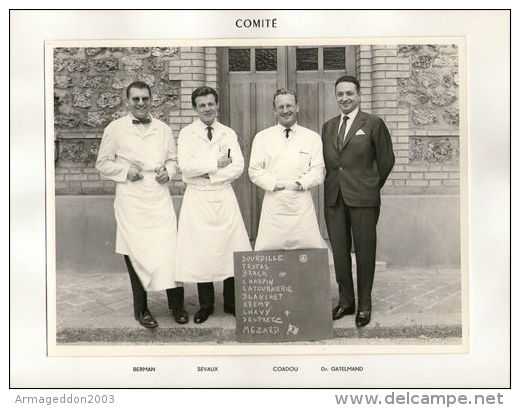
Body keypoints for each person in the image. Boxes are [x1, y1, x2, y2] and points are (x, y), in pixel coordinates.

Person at [96, 80, 187, 329]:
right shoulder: (114, 129)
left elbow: (173, 160)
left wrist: (167, 172)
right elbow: (102, 163)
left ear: (151, 100)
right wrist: (126, 171)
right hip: (131, 198)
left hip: (158, 196)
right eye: (135, 99)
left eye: (145, 99)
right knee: (135, 251)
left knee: (169, 248)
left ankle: (176, 306)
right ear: (127, 101)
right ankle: (142, 309)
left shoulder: (163, 129)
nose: (140, 103)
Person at [321, 75, 395, 327]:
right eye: (340, 94)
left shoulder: (373, 123)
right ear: (336, 97)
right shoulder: (328, 126)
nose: (345, 98)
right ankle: (346, 301)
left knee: (364, 252)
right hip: (334, 198)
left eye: (350, 93)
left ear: (359, 95)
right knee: (340, 252)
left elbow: (386, 161)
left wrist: (372, 185)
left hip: (364, 198)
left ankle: (364, 304)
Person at [174, 86, 251, 324]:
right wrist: (217, 163)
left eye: (211, 104)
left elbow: (238, 166)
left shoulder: (228, 133)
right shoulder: (187, 134)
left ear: (217, 105)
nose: (207, 109)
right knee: (201, 251)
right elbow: (186, 166)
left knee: (230, 248)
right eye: (202, 105)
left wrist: (209, 173)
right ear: (195, 108)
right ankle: (205, 305)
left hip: (223, 195)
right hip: (198, 198)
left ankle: (231, 303)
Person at [249, 89, 328, 252]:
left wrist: (300, 184)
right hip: (274, 202)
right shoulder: (262, 137)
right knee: (270, 250)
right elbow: (254, 170)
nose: (285, 110)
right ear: (274, 111)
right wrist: (274, 184)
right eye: (281, 107)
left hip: (301, 202)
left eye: (289, 106)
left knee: (306, 250)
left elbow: (318, 169)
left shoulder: (312, 137)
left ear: (297, 107)